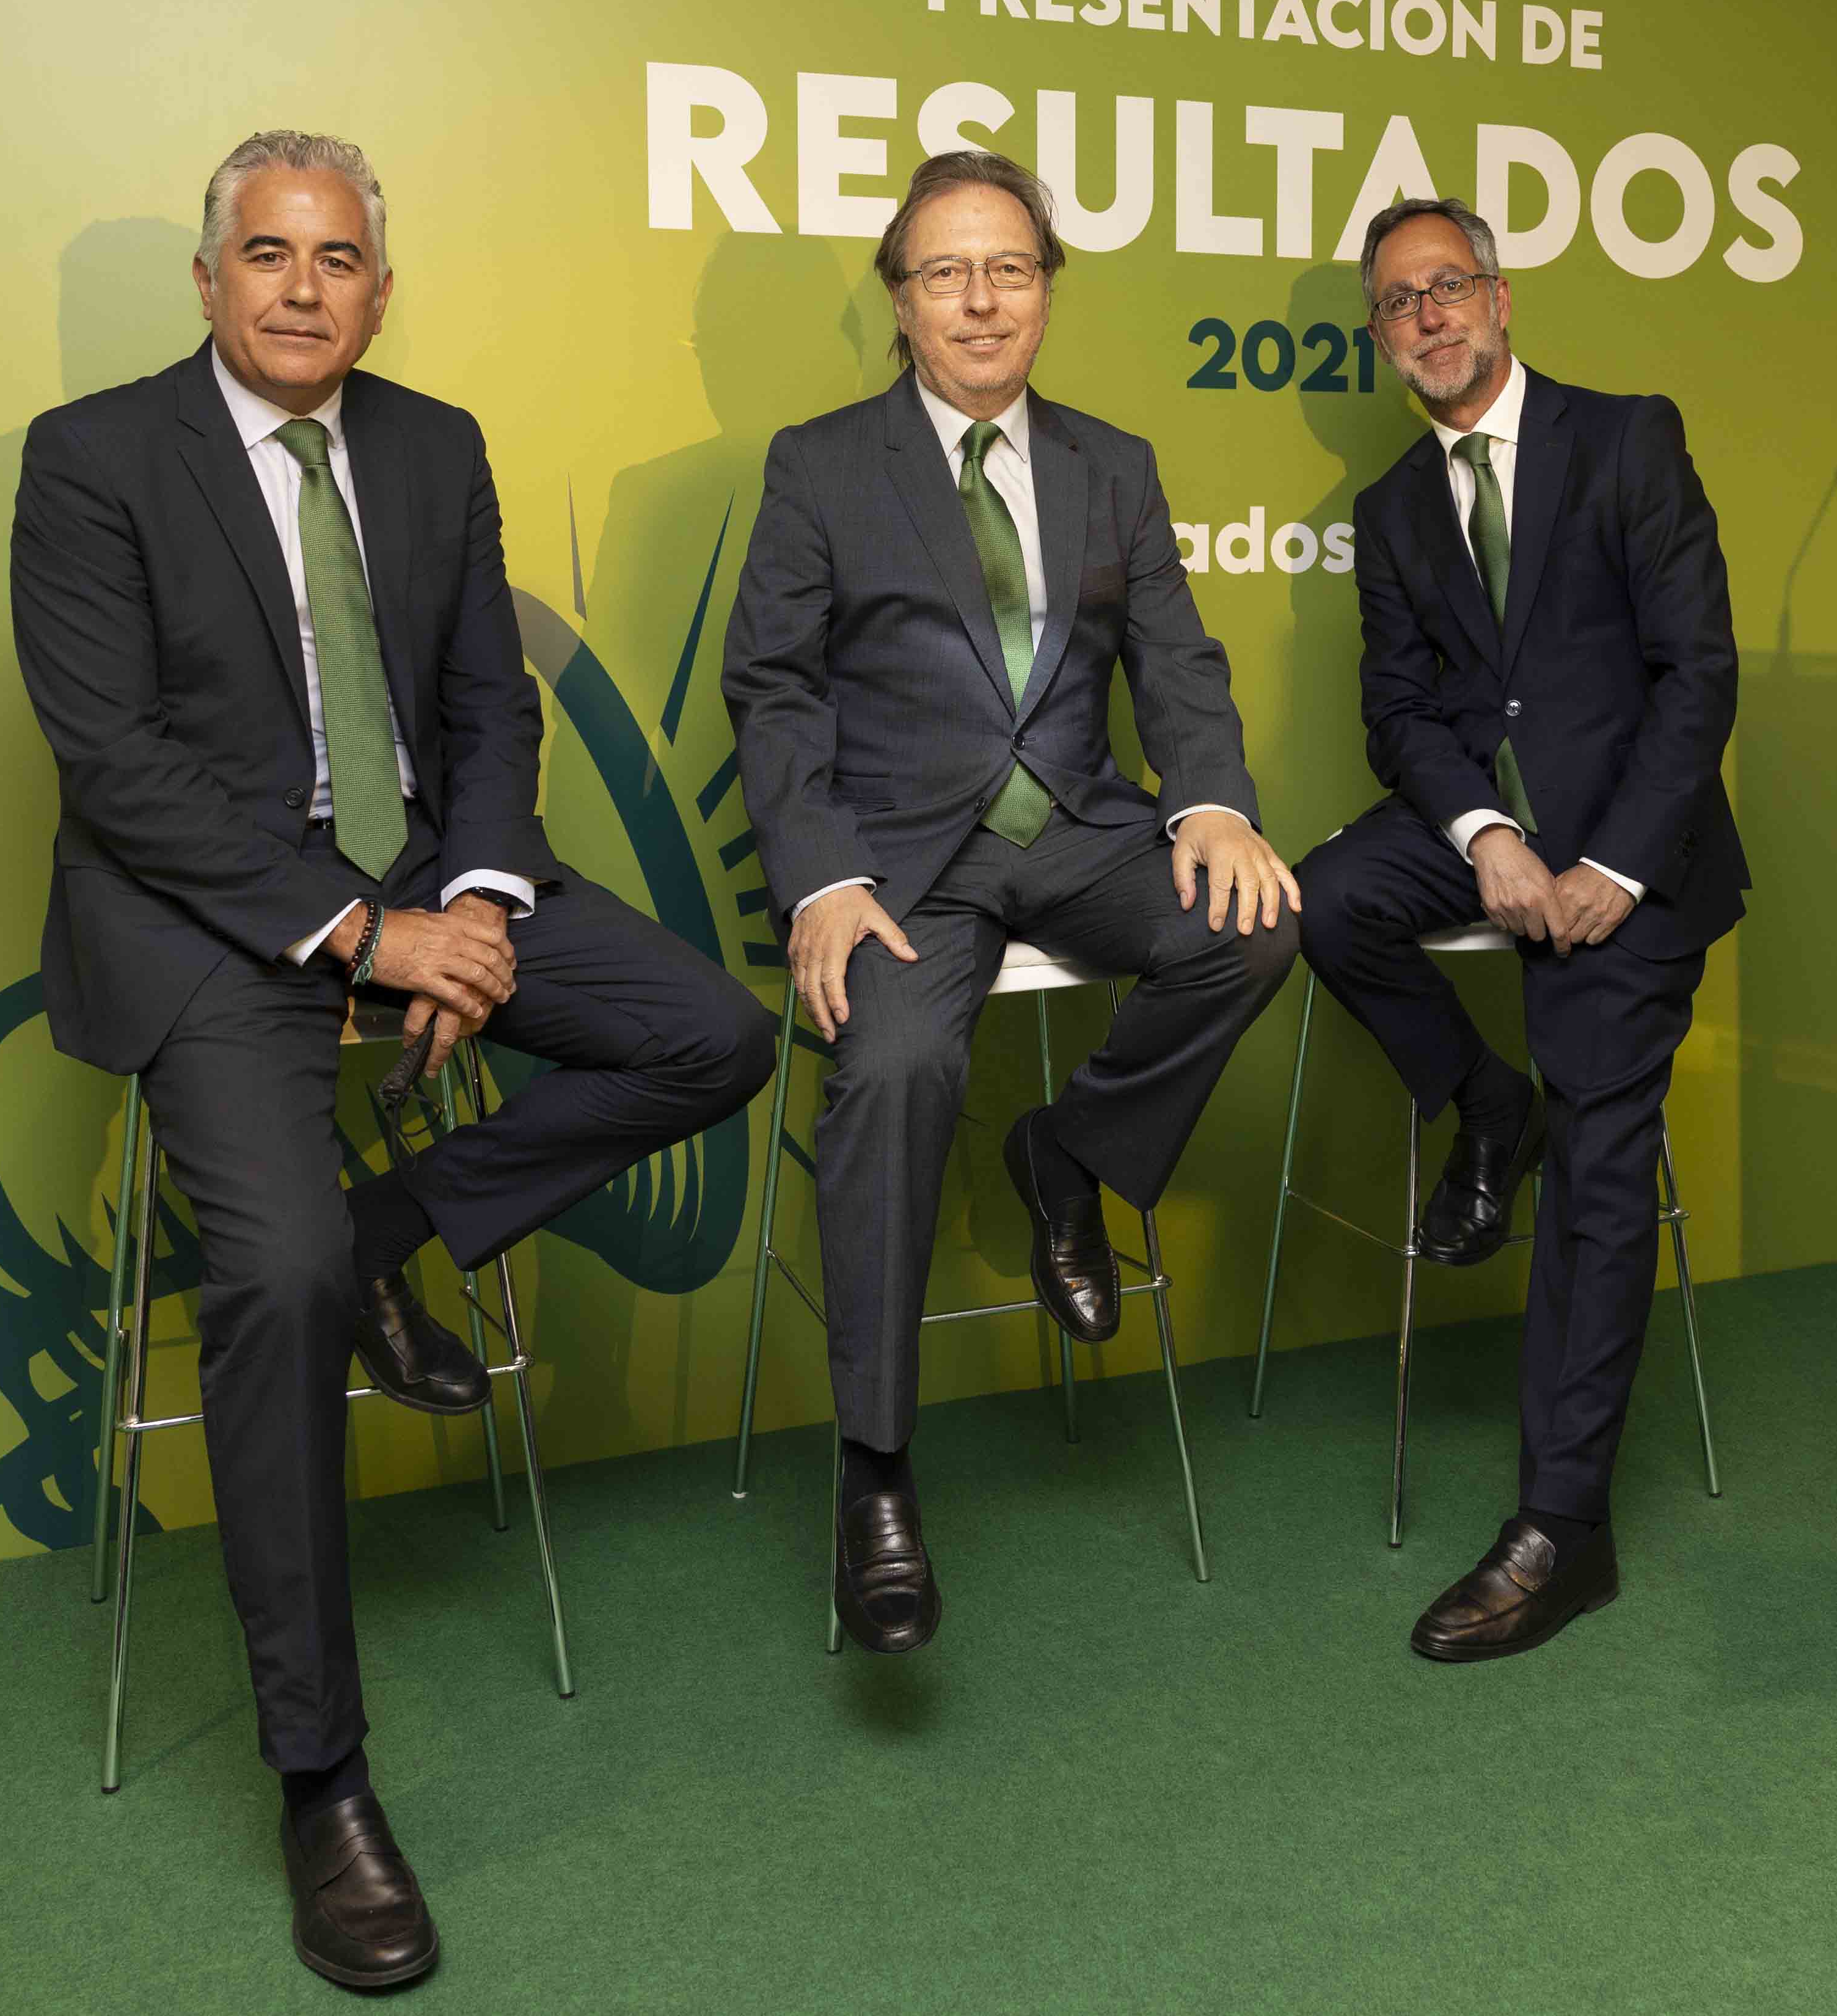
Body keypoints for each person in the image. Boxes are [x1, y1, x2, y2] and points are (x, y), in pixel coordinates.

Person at [10, 130, 775, 1989]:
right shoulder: (96, 457)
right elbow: (117, 769)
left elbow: (485, 705)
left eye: (338, 257)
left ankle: (387, 1232)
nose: (303, 288)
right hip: (213, 924)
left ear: (378, 285)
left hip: (437, 874)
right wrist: (365, 935)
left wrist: (482, 901)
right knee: (266, 1273)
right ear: (210, 278)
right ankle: (322, 1776)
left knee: (715, 1034)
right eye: (268, 254)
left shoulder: (432, 445)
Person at [720, 148, 1301, 1654]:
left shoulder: (1114, 462)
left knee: (1252, 924)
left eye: (1010, 269)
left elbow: (1175, 658)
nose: (980, 300)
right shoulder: (821, 463)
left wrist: (1213, 798)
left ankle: (1068, 1152)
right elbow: (771, 688)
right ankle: (876, 1471)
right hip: (902, 857)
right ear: (900, 299)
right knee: (897, 1062)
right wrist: (822, 874)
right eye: (946, 273)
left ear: (1046, 290)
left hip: (1083, 833)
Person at [1293, 197, 1746, 1664]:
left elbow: (1697, 672)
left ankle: (1564, 1526)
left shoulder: (1625, 439)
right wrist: (1485, 834)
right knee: (1329, 898)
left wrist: (1610, 862)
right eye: (1397, 302)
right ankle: (1488, 1106)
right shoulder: (1392, 508)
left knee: (1601, 1153)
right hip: (1500, 830)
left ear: (1500, 296)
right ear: (1382, 335)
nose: (1426, 317)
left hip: (1634, 848)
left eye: (1448, 286)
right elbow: (1398, 713)